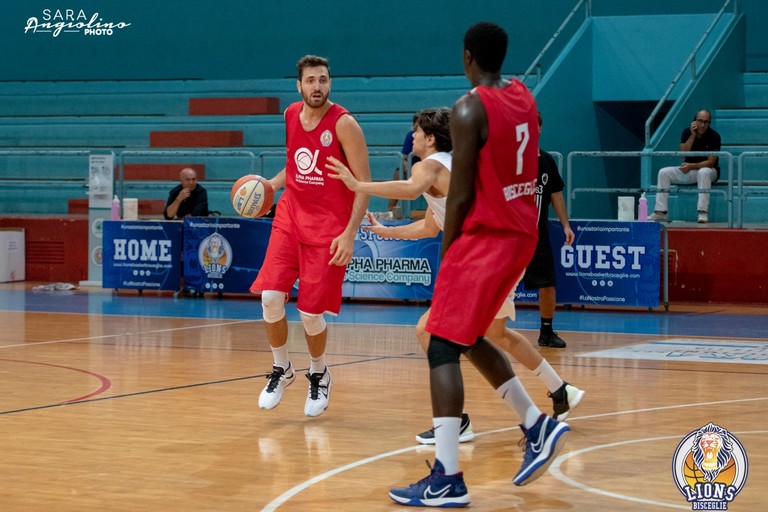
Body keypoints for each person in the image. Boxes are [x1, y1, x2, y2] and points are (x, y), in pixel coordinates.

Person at [388, 22, 570, 508]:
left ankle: (447, 476)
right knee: (468, 336)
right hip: (520, 231)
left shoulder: (469, 108)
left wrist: (449, 256)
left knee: (441, 345)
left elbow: (462, 192)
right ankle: (536, 424)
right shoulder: (524, 96)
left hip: (485, 237)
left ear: (467, 56)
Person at [326, 107, 584, 446]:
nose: (412, 136)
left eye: (416, 131)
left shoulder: (429, 166)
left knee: (430, 331)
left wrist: (358, 184)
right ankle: (558, 391)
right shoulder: (453, 165)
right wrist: (386, 232)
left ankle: (461, 421)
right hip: (503, 253)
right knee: (495, 333)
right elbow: (430, 225)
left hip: (487, 258)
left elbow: (410, 187)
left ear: (430, 138)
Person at [249, 55, 371, 418]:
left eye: (323, 80)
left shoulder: (345, 123)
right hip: (290, 216)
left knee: (310, 312)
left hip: (330, 227)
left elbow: (363, 184)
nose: (317, 86)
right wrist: (268, 187)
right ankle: (281, 369)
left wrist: (350, 234)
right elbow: (295, 163)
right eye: (311, 81)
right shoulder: (290, 115)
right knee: (270, 297)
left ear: (329, 83)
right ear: (298, 85)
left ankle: (319, 373)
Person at [527, 111, 575, 348]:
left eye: (533, 124)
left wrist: (565, 224)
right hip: (510, 238)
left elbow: (556, 194)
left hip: (538, 236)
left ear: (539, 128)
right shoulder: (510, 160)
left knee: (547, 284)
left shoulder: (546, 161)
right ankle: (481, 331)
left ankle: (546, 331)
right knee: (495, 285)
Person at [647, 109, 721, 224]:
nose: (702, 125)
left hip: (710, 171)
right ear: (694, 121)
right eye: (699, 121)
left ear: (709, 123)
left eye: (706, 122)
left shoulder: (714, 136)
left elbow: (711, 162)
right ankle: (661, 212)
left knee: (704, 172)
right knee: (663, 172)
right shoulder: (687, 133)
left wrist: (691, 166)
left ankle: (703, 212)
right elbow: (682, 155)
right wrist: (692, 135)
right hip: (691, 170)